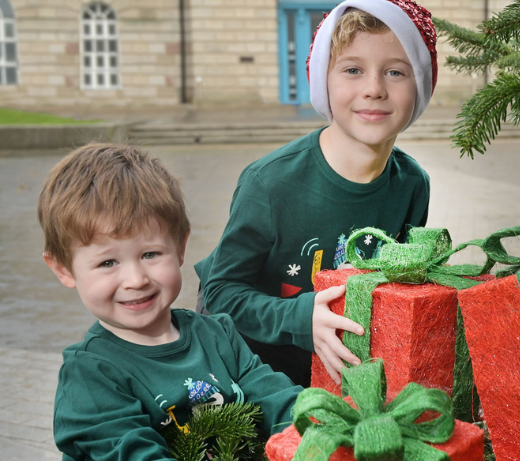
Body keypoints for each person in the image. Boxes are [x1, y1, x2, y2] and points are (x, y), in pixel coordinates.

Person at [194, 0, 436, 387]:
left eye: (395, 72)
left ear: (421, 85)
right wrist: (301, 317)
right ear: (323, 81)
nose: (374, 89)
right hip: (253, 369)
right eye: (353, 70)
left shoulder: (412, 185)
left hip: (339, 363)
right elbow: (221, 293)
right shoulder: (270, 183)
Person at [39, 143, 303, 460]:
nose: (136, 279)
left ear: (180, 246)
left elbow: (276, 397)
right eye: (108, 263)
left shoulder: (218, 335)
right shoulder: (91, 375)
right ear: (63, 269)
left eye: (150, 254)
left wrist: (315, 425)